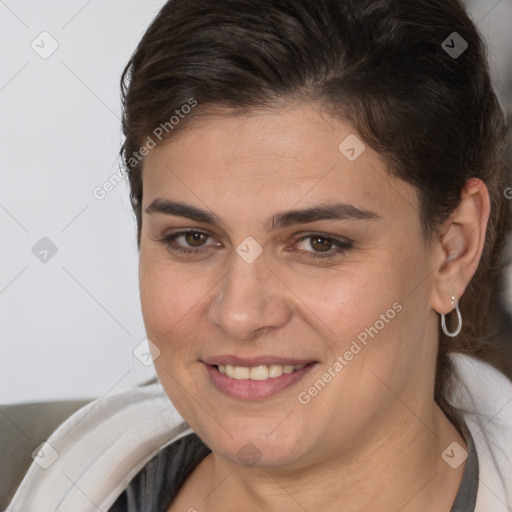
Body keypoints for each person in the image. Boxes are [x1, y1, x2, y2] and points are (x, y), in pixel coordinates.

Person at [6, 0, 512, 510]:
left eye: (319, 243)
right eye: (193, 238)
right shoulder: (49, 477)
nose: (239, 314)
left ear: (453, 249)